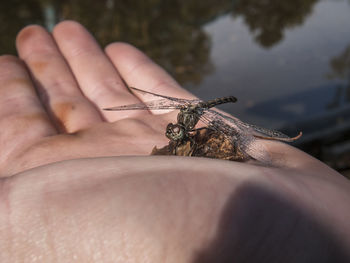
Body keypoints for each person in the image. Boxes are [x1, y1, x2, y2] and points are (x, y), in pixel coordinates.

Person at [0, 21, 349, 262]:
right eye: (174, 134)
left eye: (176, 134)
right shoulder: (176, 125)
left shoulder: (201, 122)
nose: (173, 134)